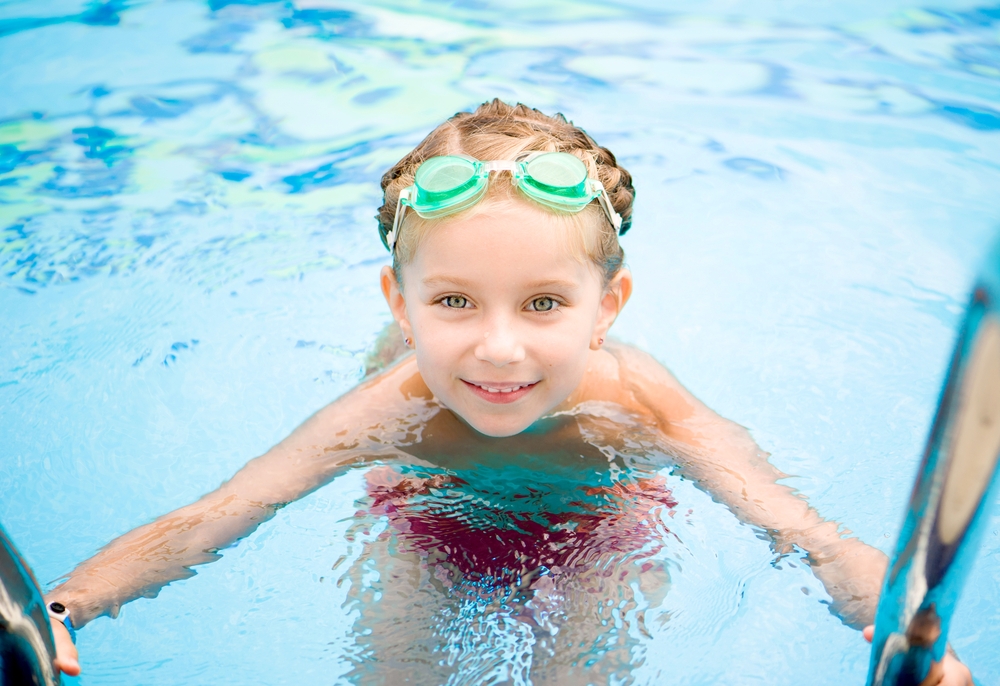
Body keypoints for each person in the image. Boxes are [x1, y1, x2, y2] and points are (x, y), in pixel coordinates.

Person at [45, 99, 972, 684]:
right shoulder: (389, 410)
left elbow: (800, 532)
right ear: (399, 305)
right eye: (453, 301)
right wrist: (56, 613)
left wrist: (910, 629)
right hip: (424, 530)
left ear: (608, 305)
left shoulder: (638, 406)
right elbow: (216, 516)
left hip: (602, 534)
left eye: (542, 304)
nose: (497, 348)